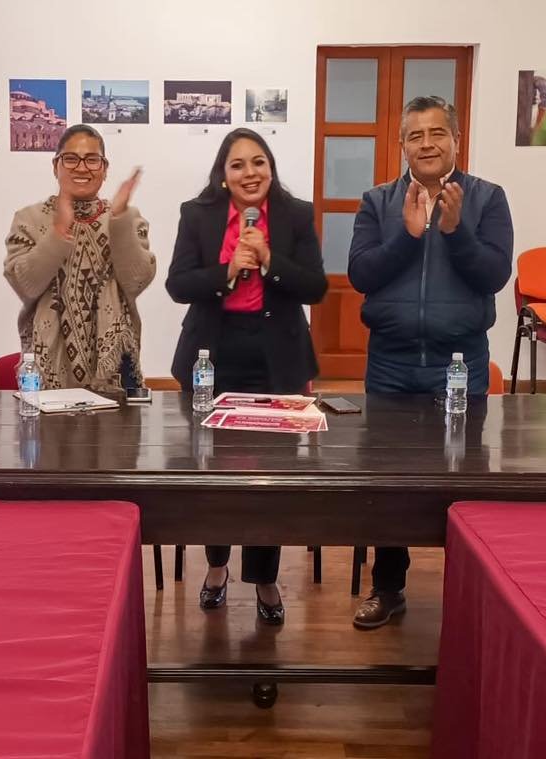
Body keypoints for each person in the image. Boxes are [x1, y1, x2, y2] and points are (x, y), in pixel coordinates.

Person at [347, 95, 513, 631]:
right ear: (402, 146)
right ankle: (387, 588)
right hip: (390, 363)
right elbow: (362, 274)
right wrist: (408, 234)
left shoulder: (487, 198)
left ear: (456, 140)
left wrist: (456, 230)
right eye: (415, 136)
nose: (427, 144)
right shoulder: (378, 201)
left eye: (437, 133)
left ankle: (470, 592)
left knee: (463, 480)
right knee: (388, 483)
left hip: (459, 365)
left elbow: (494, 276)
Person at [166, 127, 327, 626]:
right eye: (238, 165)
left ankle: (263, 576)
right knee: (213, 472)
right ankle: (216, 567)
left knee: (268, 477)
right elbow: (177, 284)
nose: (250, 173)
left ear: (271, 168)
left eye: (259, 162)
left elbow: (316, 287)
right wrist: (226, 270)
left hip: (276, 357)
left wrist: (271, 261)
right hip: (213, 357)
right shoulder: (197, 215)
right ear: (224, 174)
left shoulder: (296, 214)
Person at [3, 124, 154, 393]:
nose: (82, 168)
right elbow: (25, 285)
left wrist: (119, 220)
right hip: (47, 371)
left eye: (92, 160)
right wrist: (58, 233)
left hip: (115, 373)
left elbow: (136, 282)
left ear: (104, 169)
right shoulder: (29, 219)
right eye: (71, 158)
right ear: (56, 166)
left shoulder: (127, 218)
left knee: (120, 423)